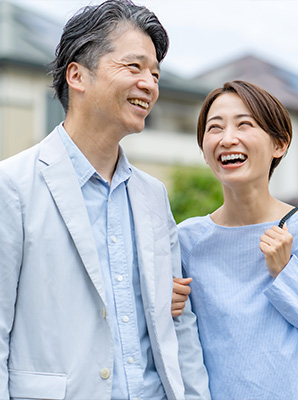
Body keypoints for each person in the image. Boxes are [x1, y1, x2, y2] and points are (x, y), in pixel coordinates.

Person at [0, 1, 210, 399]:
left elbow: (178, 324)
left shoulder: (153, 195)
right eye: (134, 67)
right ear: (77, 75)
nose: (149, 84)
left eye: (155, 74)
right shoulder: (11, 186)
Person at [172, 80, 298, 399]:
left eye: (244, 124)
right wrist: (160, 303)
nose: (227, 139)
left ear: (280, 144)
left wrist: (287, 274)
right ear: (204, 149)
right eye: (214, 128)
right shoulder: (186, 240)